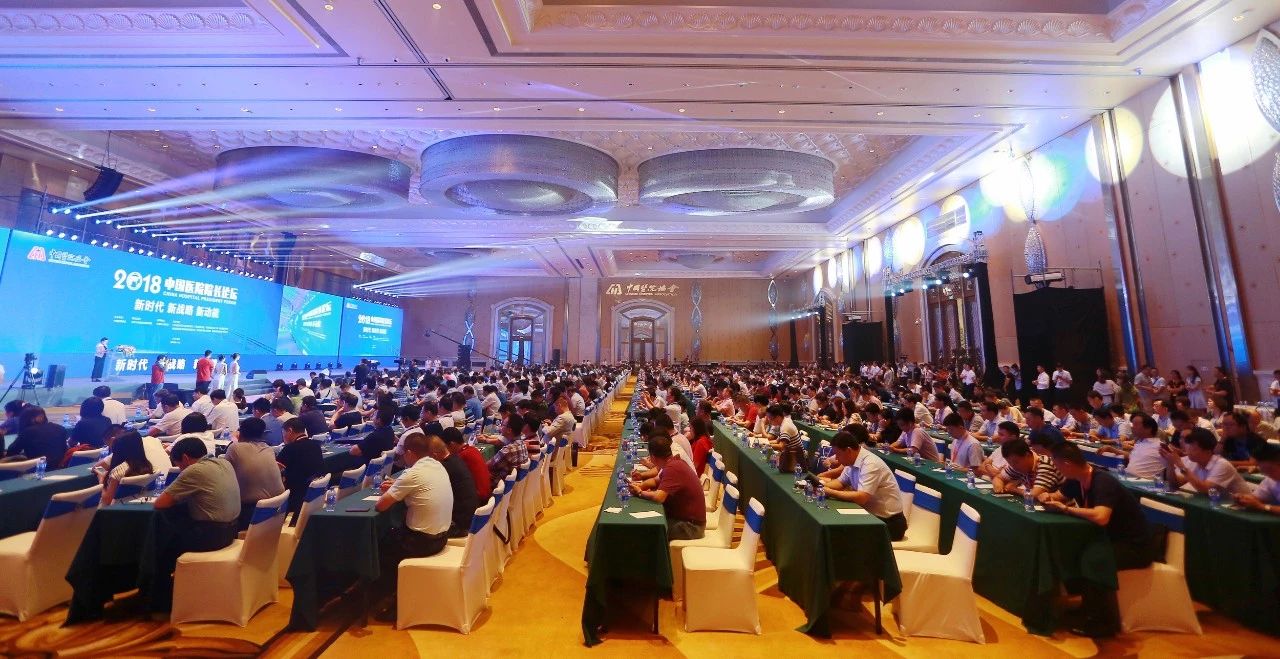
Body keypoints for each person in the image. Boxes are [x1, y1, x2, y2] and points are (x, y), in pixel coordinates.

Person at [1042, 443, 1155, 638]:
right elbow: (1056, 496)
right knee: (1070, 550)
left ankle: (1104, 622)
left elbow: (1102, 517)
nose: (1056, 469)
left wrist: (1067, 509)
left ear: (1067, 464)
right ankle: (1088, 606)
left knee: (1092, 559)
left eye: (1057, 464)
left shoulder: (1102, 481)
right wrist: (1046, 496)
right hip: (1107, 538)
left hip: (1133, 545)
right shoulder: (1076, 480)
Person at [148, 436, 241, 613]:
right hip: (231, 530)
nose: (180, 470)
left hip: (210, 536)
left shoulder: (194, 470)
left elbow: (160, 503)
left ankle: (161, 605)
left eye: (179, 465)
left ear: (185, 458)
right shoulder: (224, 463)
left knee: (159, 545)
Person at [373, 432, 453, 619]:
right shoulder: (437, 465)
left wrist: (396, 487)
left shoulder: (412, 474)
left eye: (403, 454)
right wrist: (398, 485)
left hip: (422, 543)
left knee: (379, 545)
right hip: (442, 536)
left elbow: (380, 505)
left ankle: (392, 601)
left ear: (409, 453)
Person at [819, 427, 907, 539]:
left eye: (838, 454)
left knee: (841, 533)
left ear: (848, 450)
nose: (836, 458)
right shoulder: (851, 461)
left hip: (888, 523)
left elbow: (861, 497)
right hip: (870, 517)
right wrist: (819, 485)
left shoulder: (870, 464)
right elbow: (840, 483)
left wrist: (830, 492)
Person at [629, 434, 705, 541]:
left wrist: (640, 492)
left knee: (648, 529)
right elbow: (655, 480)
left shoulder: (673, 468)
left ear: (653, 457)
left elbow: (659, 497)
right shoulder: (674, 462)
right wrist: (640, 485)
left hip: (691, 527)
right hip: (687, 520)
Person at [224, 417, 285, 530]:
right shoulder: (268, 449)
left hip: (252, 512)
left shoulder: (234, 448)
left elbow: (223, 474)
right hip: (279, 508)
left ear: (241, 433)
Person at [1159, 427, 1251, 496]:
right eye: (1188, 445)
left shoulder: (1222, 465)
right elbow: (1175, 484)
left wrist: (1180, 465)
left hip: (1243, 510)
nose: (1188, 449)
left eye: (1193, 447)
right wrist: (1170, 463)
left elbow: (1205, 489)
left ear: (1207, 450)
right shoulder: (1194, 462)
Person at [428, 434, 479, 538]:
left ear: (434, 455)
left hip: (460, 525)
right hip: (471, 518)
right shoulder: (456, 459)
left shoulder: (443, 468)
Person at [276, 417, 324, 517]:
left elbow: (275, 471)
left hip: (294, 496)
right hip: (314, 494)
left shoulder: (290, 449)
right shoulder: (316, 445)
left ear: (290, 431)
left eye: (283, 433)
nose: (283, 436)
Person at [992, 438, 1062, 502]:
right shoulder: (1016, 464)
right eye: (1010, 463)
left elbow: (1035, 495)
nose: (1013, 466)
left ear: (1027, 455)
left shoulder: (1044, 464)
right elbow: (998, 478)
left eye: (1016, 462)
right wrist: (999, 486)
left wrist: (1014, 489)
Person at [99, 431, 157, 506]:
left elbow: (106, 501)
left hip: (117, 508)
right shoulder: (149, 466)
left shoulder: (118, 471)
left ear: (119, 450)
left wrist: (101, 480)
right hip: (138, 504)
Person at [4, 406, 69, 468]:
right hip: (61, 467)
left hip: (37, 469)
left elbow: (11, 452)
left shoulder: (28, 432)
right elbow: (64, 449)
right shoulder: (60, 428)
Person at [1235, 443, 1280, 515]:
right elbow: (1257, 497)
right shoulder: (1270, 480)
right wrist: (1244, 498)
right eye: (1264, 471)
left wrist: (1262, 506)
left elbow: (1260, 505)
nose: (1268, 475)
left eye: (1270, 470)